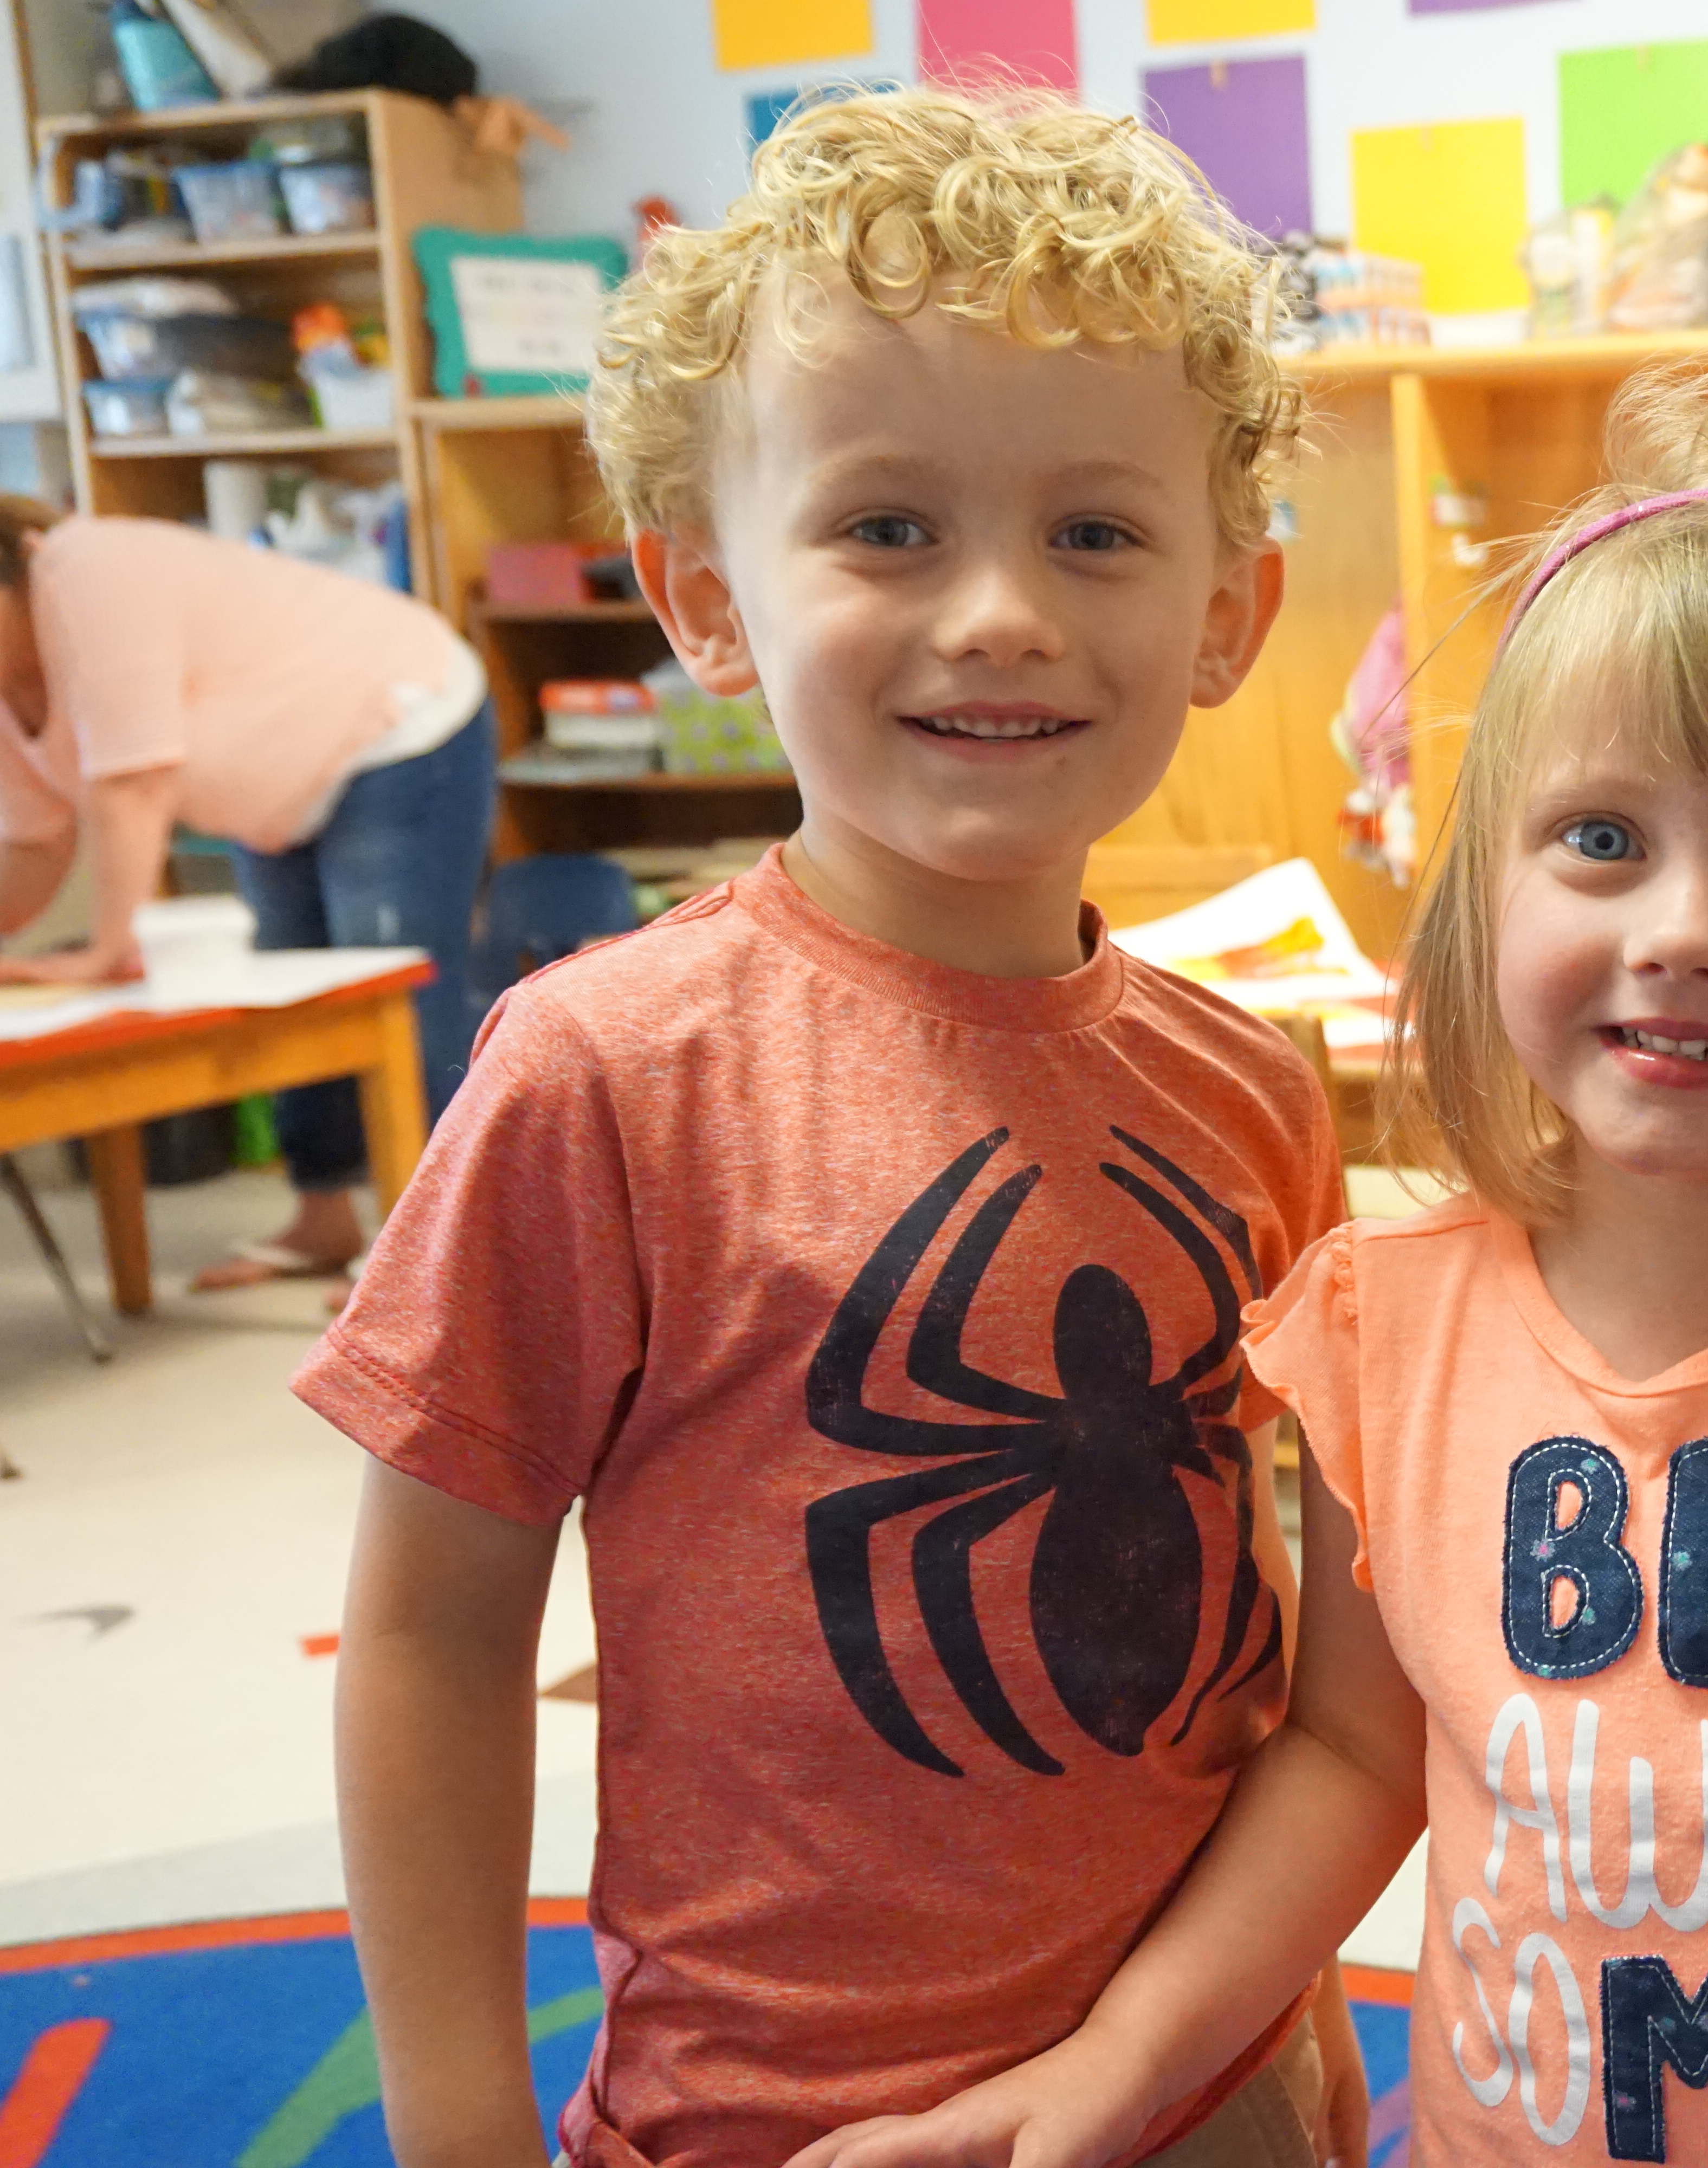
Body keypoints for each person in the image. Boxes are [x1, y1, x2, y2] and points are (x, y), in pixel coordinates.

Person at [791, 354, 1708, 2168]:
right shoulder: (1383, 1326)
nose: (1687, 930)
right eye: (1602, 839)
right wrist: (1118, 2069)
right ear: (1490, 883)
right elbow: (1348, 1759)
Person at [293, 89, 1371, 2168]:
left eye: (1097, 531)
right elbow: (432, 1633)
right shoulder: (598, 1074)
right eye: (888, 527)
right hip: (770, 2115)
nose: (997, 613)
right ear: (705, 598)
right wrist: (451, 2122)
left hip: (1214, 2087)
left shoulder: (1256, 1093)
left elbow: (1297, 1636)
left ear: (1232, 611)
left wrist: (1262, 2051)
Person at [0, 500, 494, 1290]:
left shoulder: (89, 569)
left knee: (390, 991)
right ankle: (323, 1215)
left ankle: (444, 1250)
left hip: (396, 717)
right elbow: (35, 843)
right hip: (276, 788)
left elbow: (135, 784)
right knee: (286, 993)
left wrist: (101, 953)